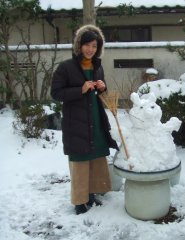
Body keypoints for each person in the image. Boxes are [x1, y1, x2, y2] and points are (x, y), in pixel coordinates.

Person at [51, 25, 118, 215]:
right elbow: (56, 93)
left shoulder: (97, 67)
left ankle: (91, 194)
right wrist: (79, 89)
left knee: (96, 157)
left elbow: (100, 94)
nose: (90, 49)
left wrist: (103, 87)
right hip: (76, 121)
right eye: (87, 45)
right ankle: (80, 201)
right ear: (79, 45)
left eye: (94, 46)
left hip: (96, 119)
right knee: (80, 160)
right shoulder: (66, 67)